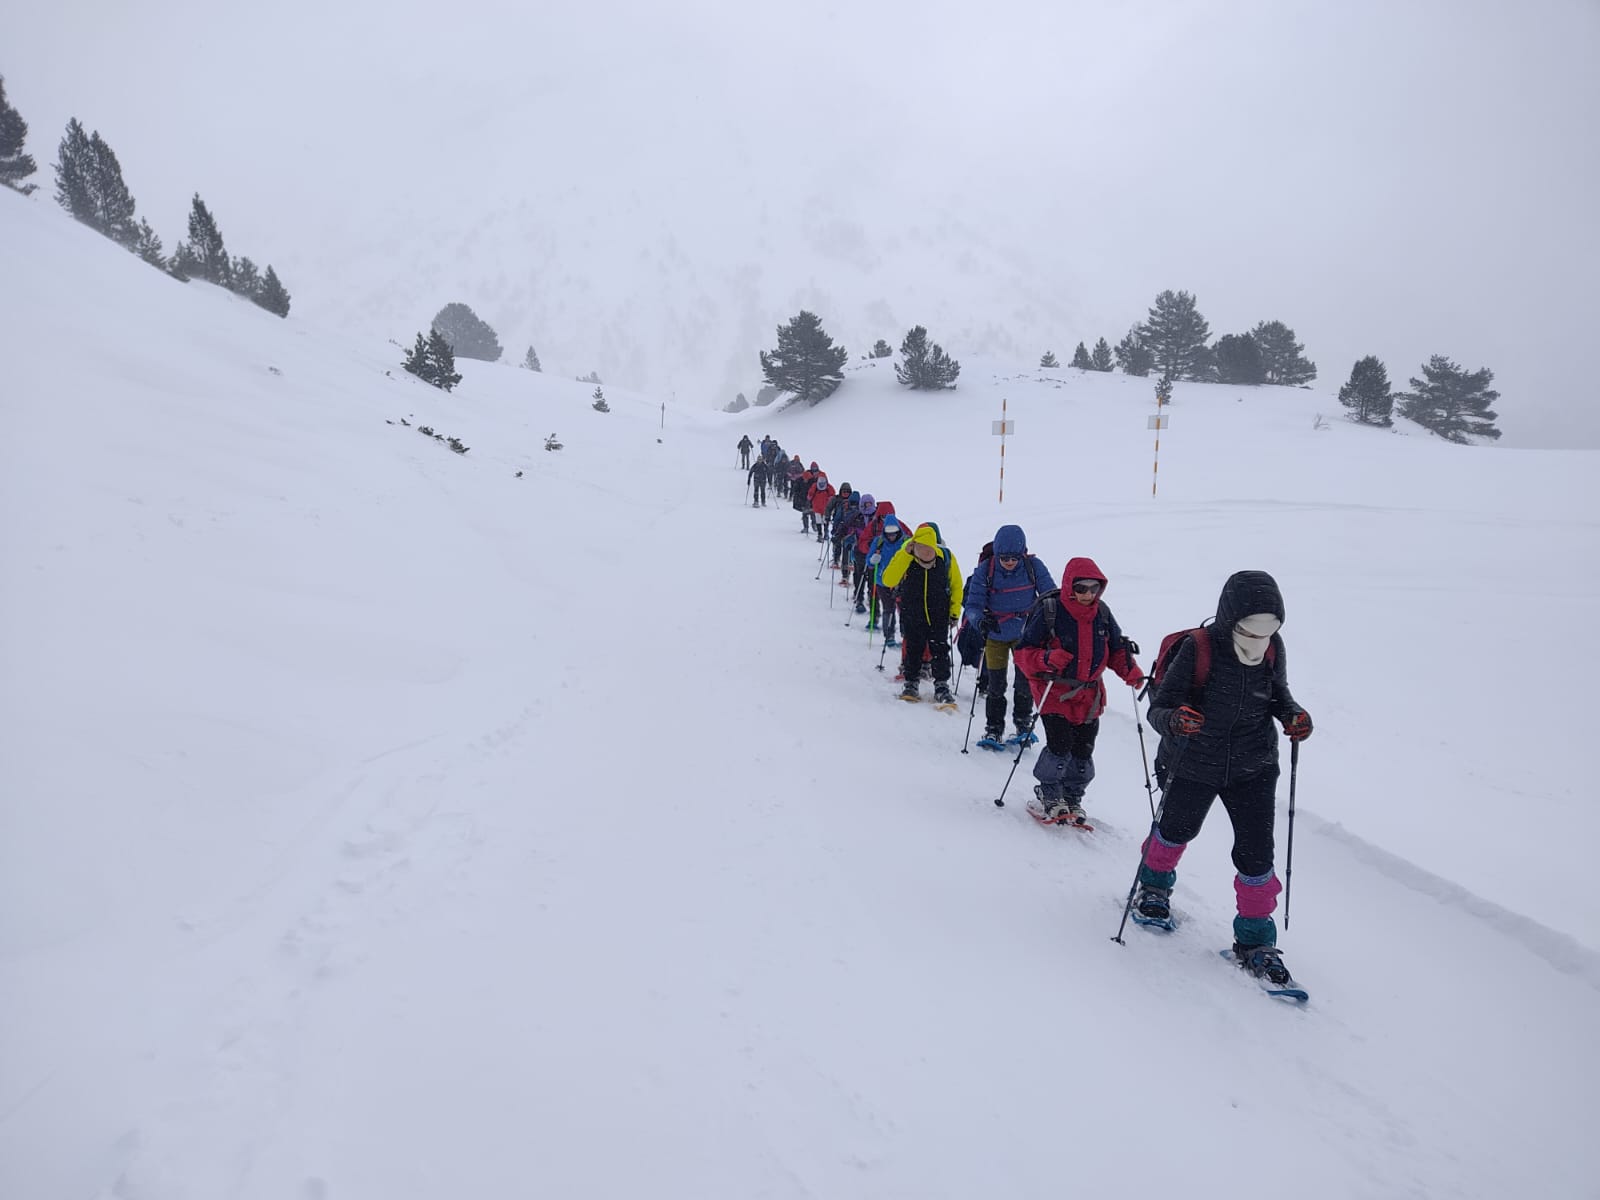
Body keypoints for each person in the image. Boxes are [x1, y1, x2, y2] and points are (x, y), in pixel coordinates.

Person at [1136, 570, 1312, 984]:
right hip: (1195, 761)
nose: (1258, 640)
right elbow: (1159, 708)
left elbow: (1278, 696)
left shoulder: (1273, 648)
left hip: (1255, 765)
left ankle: (1255, 940)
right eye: (1250, 631)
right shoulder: (1198, 649)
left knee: (1256, 855)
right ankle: (1154, 888)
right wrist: (1177, 720)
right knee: (1176, 830)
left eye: (1268, 632)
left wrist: (1293, 716)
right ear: (1231, 619)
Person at [1014, 557, 1143, 826]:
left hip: (1089, 696)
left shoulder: (1103, 614)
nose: (1088, 594)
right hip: (1054, 693)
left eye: (1094, 588)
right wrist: (1047, 659)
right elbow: (1024, 653)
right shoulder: (1051, 610)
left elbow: (1117, 649)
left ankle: (1073, 797)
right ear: (1069, 586)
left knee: (1084, 749)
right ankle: (1049, 793)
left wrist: (1130, 672)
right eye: (1081, 588)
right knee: (1060, 744)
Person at [963, 524, 1056, 746]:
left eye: (1014, 557)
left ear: (1022, 552)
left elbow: (1051, 596)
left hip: (1026, 635)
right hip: (995, 633)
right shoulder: (986, 570)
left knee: (1025, 682)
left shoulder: (1033, 566)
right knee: (996, 684)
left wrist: (1050, 623)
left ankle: (1023, 724)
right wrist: (980, 621)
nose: (1010, 562)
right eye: (1005, 557)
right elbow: (973, 604)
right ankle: (994, 729)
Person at [881, 523, 963, 704]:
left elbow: (957, 586)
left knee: (940, 650)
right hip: (913, 614)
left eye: (929, 549)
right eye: (921, 548)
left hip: (939, 615)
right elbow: (888, 579)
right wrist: (905, 554)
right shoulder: (907, 558)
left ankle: (941, 685)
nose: (926, 553)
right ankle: (911, 683)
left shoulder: (945, 558)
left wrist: (955, 612)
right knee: (913, 649)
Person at [866, 514, 907, 643]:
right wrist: (872, 560)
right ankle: (889, 636)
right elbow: (869, 561)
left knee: (904, 610)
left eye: (894, 533)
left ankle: (906, 635)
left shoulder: (906, 542)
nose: (891, 536)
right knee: (888, 608)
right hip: (882, 581)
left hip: (901, 582)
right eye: (889, 534)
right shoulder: (879, 542)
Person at [807, 471, 835, 542]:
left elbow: (810, 495)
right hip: (822, 507)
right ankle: (823, 533)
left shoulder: (818, 486)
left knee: (821, 521)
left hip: (820, 507)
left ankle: (822, 534)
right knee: (822, 521)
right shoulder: (827, 486)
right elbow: (833, 496)